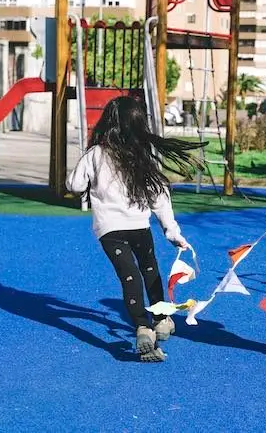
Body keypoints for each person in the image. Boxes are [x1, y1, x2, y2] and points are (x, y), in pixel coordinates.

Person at [66, 95, 205, 362]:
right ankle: (162, 319)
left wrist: (82, 174)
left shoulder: (95, 155)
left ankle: (142, 327)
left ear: (107, 124)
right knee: (150, 271)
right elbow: (159, 199)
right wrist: (172, 231)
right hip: (139, 228)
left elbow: (74, 185)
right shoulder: (143, 157)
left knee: (129, 277)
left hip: (110, 231)